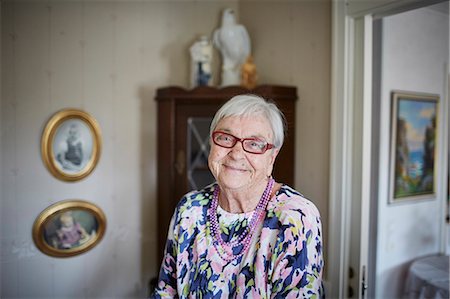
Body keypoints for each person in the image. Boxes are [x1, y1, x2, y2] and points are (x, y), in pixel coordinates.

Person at [152, 94, 324, 298]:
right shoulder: (190, 208)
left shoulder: (297, 218)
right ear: (212, 144)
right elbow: (166, 291)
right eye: (225, 138)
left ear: (272, 157)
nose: (236, 153)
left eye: (254, 144)